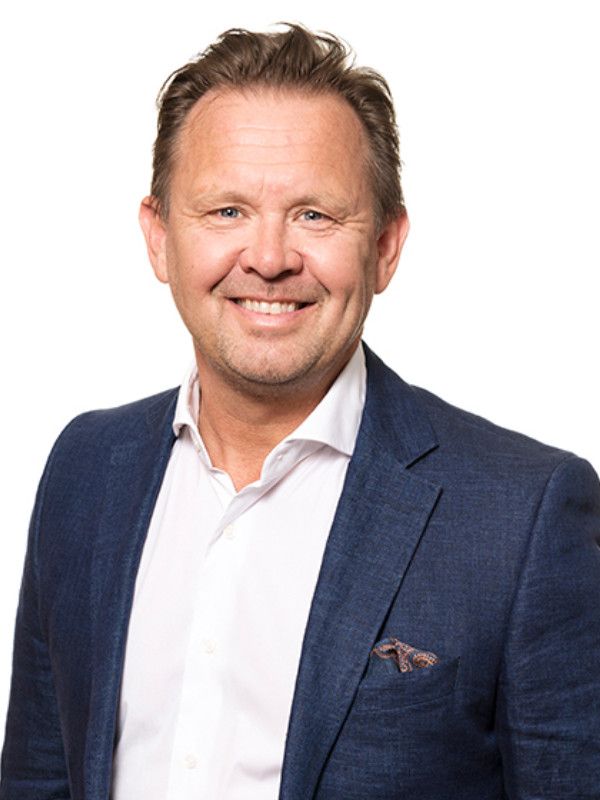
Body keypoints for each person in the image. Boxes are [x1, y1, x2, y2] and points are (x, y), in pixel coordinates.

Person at [1, 23, 599, 800]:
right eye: (226, 211)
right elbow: (38, 779)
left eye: (315, 215)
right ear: (159, 237)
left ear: (385, 246)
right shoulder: (86, 469)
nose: (270, 257)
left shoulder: (521, 515)